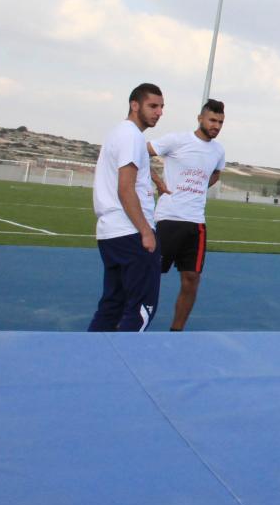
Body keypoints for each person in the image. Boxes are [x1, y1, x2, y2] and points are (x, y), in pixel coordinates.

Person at [88, 83, 164, 331]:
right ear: (135, 105)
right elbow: (125, 188)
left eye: (161, 107)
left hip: (110, 234)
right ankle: (123, 364)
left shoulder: (118, 133)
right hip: (130, 232)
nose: (159, 112)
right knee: (142, 310)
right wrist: (146, 231)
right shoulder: (132, 135)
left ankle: (90, 359)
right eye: (153, 106)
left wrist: (155, 179)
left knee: (112, 306)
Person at [147, 99, 226, 332]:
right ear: (200, 118)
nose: (216, 126)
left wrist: (199, 186)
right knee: (150, 275)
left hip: (196, 223)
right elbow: (139, 153)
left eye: (220, 122)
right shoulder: (177, 140)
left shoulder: (218, 150)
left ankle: (177, 331)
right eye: (212, 120)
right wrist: (158, 180)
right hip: (169, 219)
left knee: (191, 278)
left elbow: (216, 174)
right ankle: (133, 320)